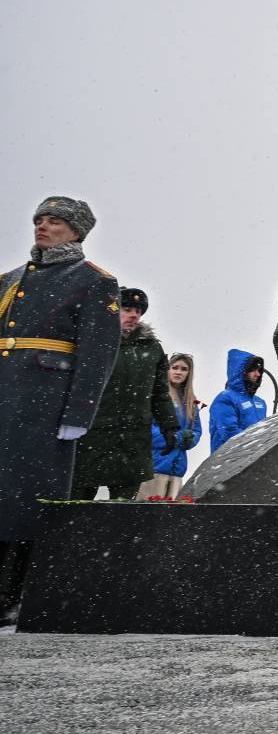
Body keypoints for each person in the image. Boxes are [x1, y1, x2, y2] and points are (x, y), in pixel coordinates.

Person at [0, 198, 123, 622]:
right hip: (4, 400)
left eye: (54, 221)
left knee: (28, 501)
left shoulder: (94, 282)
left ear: (76, 231)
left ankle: (14, 595)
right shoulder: (9, 279)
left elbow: (98, 355)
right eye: (39, 220)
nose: (43, 226)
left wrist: (78, 415)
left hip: (44, 407)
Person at [70, 288, 179, 501]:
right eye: (127, 309)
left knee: (124, 512)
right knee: (77, 506)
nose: (134, 315)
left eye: (138, 311)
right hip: (92, 438)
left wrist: (170, 427)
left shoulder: (152, 348)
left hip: (133, 441)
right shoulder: (93, 344)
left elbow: (160, 393)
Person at [142, 353, 202, 498]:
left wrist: (190, 439)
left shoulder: (191, 402)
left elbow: (196, 430)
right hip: (155, 467)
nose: (178, 372)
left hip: (177, 470)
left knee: (170, 518)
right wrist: (176, 437)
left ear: (189, 373)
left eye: (183, 369)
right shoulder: (156, 396)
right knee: (147, 517)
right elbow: (146, 429)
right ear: (167, 370)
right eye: (174, 367)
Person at [208, 351, 270, 452]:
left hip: (256, 461)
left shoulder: (260, 402)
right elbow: (229, 433)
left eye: (259, 370)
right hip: (228, 462)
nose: (258, 374)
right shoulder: (224, 399)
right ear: (242, 372)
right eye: (253, 370)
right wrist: (256, 445)